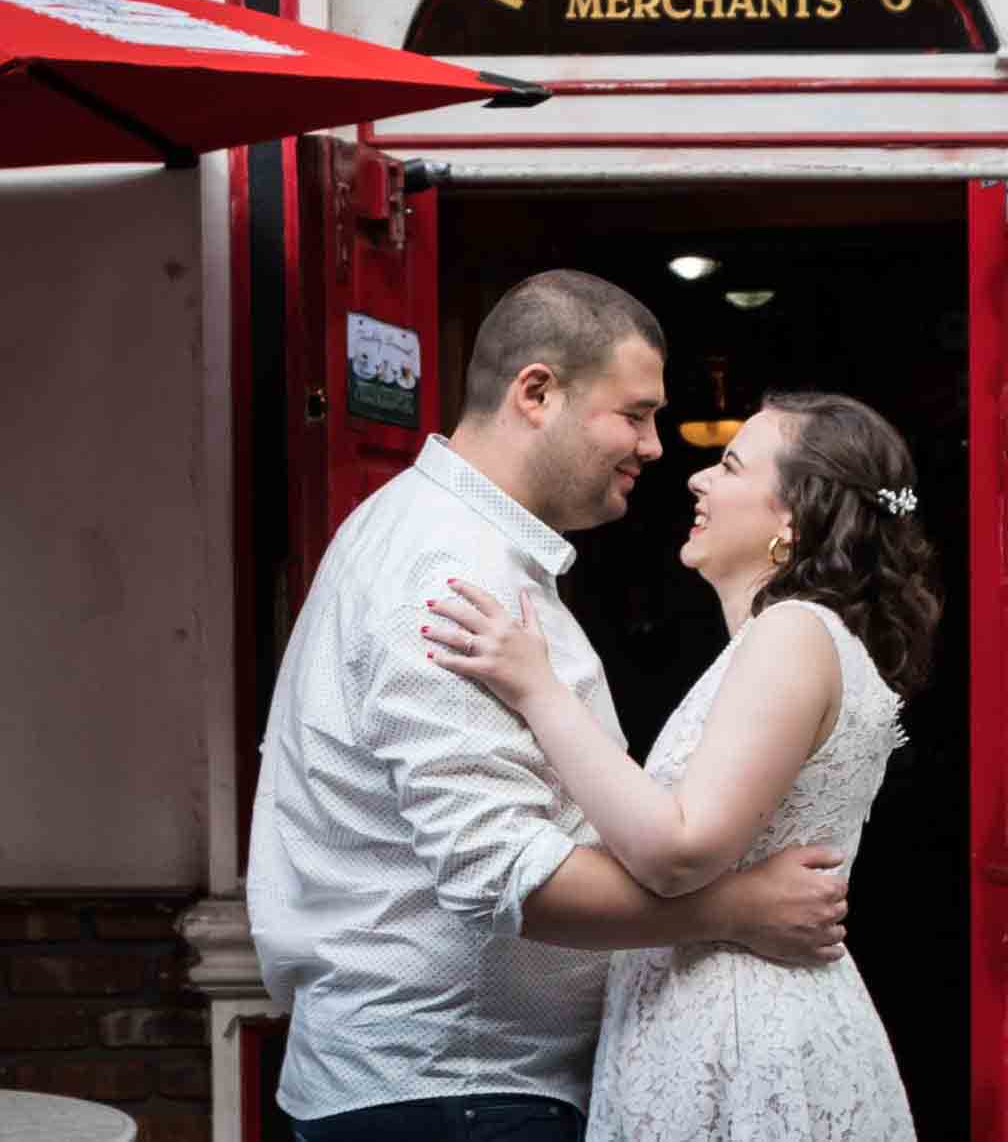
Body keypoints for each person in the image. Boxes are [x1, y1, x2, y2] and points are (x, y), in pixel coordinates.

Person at [246, 271, 850, 1142]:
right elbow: (507, 871)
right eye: (635, 413)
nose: (655, 445)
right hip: (454, 1093)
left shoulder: (449, 536)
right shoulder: (450, 570)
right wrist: (738, 908)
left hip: (465, 1091)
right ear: (537, 391)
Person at [425, 390, 938, 1141]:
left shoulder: (792, 632)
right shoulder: (783, 641)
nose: (697, 479)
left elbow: (679, 848)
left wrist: (536, 687)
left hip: (742, 1033)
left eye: (730, 465)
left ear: (793, 519)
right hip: (718, 1015)